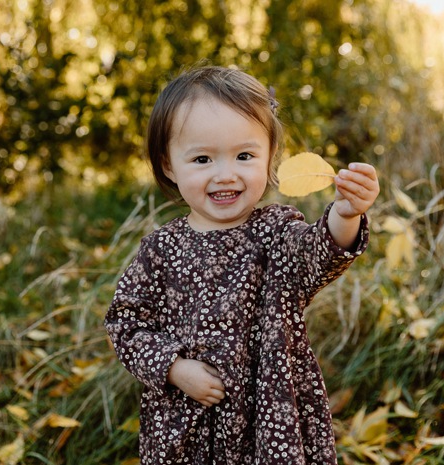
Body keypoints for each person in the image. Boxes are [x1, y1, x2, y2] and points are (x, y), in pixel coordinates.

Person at [104, 65, 379, 464]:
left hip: (269, 412)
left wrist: (347, 212)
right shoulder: (160, 250)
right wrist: (175, 369)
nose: (225, 174)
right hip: (190, 420)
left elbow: (317, 255)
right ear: (168, 165)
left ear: (269, 157)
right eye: (202, 159)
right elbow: (125, 325)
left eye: (245, 155)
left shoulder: (277, 232)